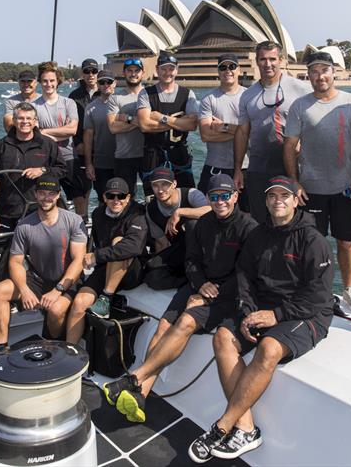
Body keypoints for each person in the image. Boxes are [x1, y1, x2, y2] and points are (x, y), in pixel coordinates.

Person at [189, 176, 334, 462]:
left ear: (295, 200)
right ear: (266, 201)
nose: (278, 200)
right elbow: (244, 277)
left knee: (268, 347)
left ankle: (223, 425)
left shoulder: (312, 239)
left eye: (284, 195)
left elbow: (318, 295)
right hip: (262, 307)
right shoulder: (259, 235)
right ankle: (246, 428)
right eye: (272, 196)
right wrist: (247, 311)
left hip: (307, 313)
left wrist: (276, 315)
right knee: (223, 337)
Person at [103, 175, 257, 423]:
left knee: (185, 322)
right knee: (164, 325)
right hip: (199, 283)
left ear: (235, 197)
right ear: (207, 199)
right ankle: (141, 392)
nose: (220, 202)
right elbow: (191, 261)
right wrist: (200, 284)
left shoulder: (249, 229)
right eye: (214, 197)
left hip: (227, 293)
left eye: (225, 196)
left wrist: (210, 293)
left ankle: (134, 378)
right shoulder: (201, 224)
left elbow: (246, 274)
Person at [0, 175, 87, 386]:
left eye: (51, 194)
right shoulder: (25, 225)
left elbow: (78, 261)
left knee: (55, 310)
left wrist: (59, 289)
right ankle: (0, 351)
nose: (46, 198)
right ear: (36, 195)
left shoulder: (73, 221)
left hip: (67, 281)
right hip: (37, 279)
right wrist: (24, 290)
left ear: (57, 196)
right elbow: (16, 263)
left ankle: (52, 345)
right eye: (42, 193)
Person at [283, 51, 351, 313]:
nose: (320, 76)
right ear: (307, 75)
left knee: (347, 242)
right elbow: (289, 146)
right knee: (313, 245)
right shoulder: (300, 106)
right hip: (311, 189)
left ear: (334, 72)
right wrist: (294, 182)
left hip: (345, 187)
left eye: (325, 70)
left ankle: (348, 289)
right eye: (314, 71)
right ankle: (315, 291)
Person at [234, 41, 312, 221]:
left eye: (272, 59)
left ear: (281, 60)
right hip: (258, 168)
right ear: (256, 61)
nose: (267, 64)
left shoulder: (301, 89)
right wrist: (238, 168)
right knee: (260, 221)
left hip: (293, 168)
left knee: (294, 222)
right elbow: (242, 133)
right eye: (263, 59)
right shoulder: (247, 95)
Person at [65, 177, 148, 343]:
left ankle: (106, 298)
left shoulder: (138, 214)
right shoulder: (97, 214)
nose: (116, 200)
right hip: (105, 268)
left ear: (129, 198)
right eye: (111, 196)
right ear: (104, 198)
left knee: (119, 243)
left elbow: (133, 248)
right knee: (80, 302)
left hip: (132, 271)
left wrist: (96, 256)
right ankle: (71, 351)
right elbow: (94, 241)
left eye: (121, 196)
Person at [0, 102, 66, 230]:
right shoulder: (0, 146)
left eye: (28, 118)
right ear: (13, 120)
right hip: (6, 210)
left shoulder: (48, 144)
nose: (24, 122)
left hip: (39, 209)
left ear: (35, 121)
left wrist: (43, 170)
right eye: (20, 118)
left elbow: (62, 170)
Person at [136, 52, 199, 197]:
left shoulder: (187, 94)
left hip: (179, 153)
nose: (167, 73)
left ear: (177, 70)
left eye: (171, 69)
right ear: (157, 70)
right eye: (163, 69)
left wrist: (161, 117)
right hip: (153, 154)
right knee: (153, 197)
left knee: (186, 195)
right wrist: (179, 122)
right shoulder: (146, 93)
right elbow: (144, 125)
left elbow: (192, 125)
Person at [142, 167, 210, 289]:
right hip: (180, 250)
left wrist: (179, 212)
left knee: (192, 224)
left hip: (202, 250)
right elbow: (161, 243)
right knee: (151, 272)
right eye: (155, 185)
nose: (160, 190)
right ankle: (186, 281)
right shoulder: (151, 209)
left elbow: (210, 211)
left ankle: (198, 274)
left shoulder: (191, 194)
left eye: (164, 185)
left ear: (174, 184)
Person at [197, 53, 249, 212]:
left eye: (232, 66)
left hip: (246, 168)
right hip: (215, 167)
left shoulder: (250, 96)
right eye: (223, 67)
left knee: (246, 216)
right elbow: (205, 135)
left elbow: (255, 133)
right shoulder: (208, 99)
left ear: (239, 70)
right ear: (218, 71)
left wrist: (223, 126)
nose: (228, 71)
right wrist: (242, 133)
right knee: (207, 213)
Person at [33, 62, 86, 216]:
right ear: (40, 82)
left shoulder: (68, 103)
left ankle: (82, 223)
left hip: (68, 155)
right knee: (48, 194)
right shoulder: (33, 106)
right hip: (46, 158)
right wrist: (60, 132)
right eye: (45, 81)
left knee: (78, 194)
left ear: (57, 82)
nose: (48, 84)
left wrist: (45, 132)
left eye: (52, 80)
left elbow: (72, 130)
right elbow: (36, 134)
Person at [107, 58, 146, 195]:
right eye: (129, 71)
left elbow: (154, 124)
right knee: (124, 197)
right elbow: (113, 127)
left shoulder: (150, 95)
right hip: (124, 156)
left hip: (148, 155)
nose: (133, 74)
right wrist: (138, 121)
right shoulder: (115, 98)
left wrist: (125, 118)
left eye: (136, 71)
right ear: (124, 73)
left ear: (143, 73)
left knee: (152, 196)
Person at [68, 58, 100, 219]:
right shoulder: (74, 96)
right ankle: (81, 226)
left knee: (105, 191)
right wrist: (77, 143)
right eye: (87, 71)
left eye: (94, 71)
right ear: (82, 73)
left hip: (102, 151)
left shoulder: (106, 91)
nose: (90, 75)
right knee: (82, 192)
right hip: (81, 150)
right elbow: (70, 123)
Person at [83, 70, 118, 202]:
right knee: (103, 199)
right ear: (97, 84)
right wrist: (89, 164)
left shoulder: (124, 103)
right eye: (102, 82)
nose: (106, 85)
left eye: (109, 81)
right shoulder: (91, 108)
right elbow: (88, 137)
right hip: (101, 162)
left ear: (115, 83)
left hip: (123, 160)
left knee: (125, 198)